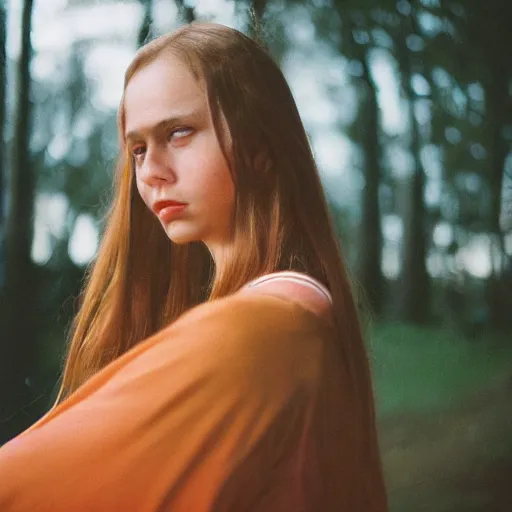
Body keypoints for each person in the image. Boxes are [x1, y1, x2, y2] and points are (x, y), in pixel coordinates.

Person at [0, 22, 387, 511]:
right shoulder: (294, 316)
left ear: (262, 147)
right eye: (137, 148)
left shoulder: (266, 328)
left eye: (178, 132)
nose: (150, 171)